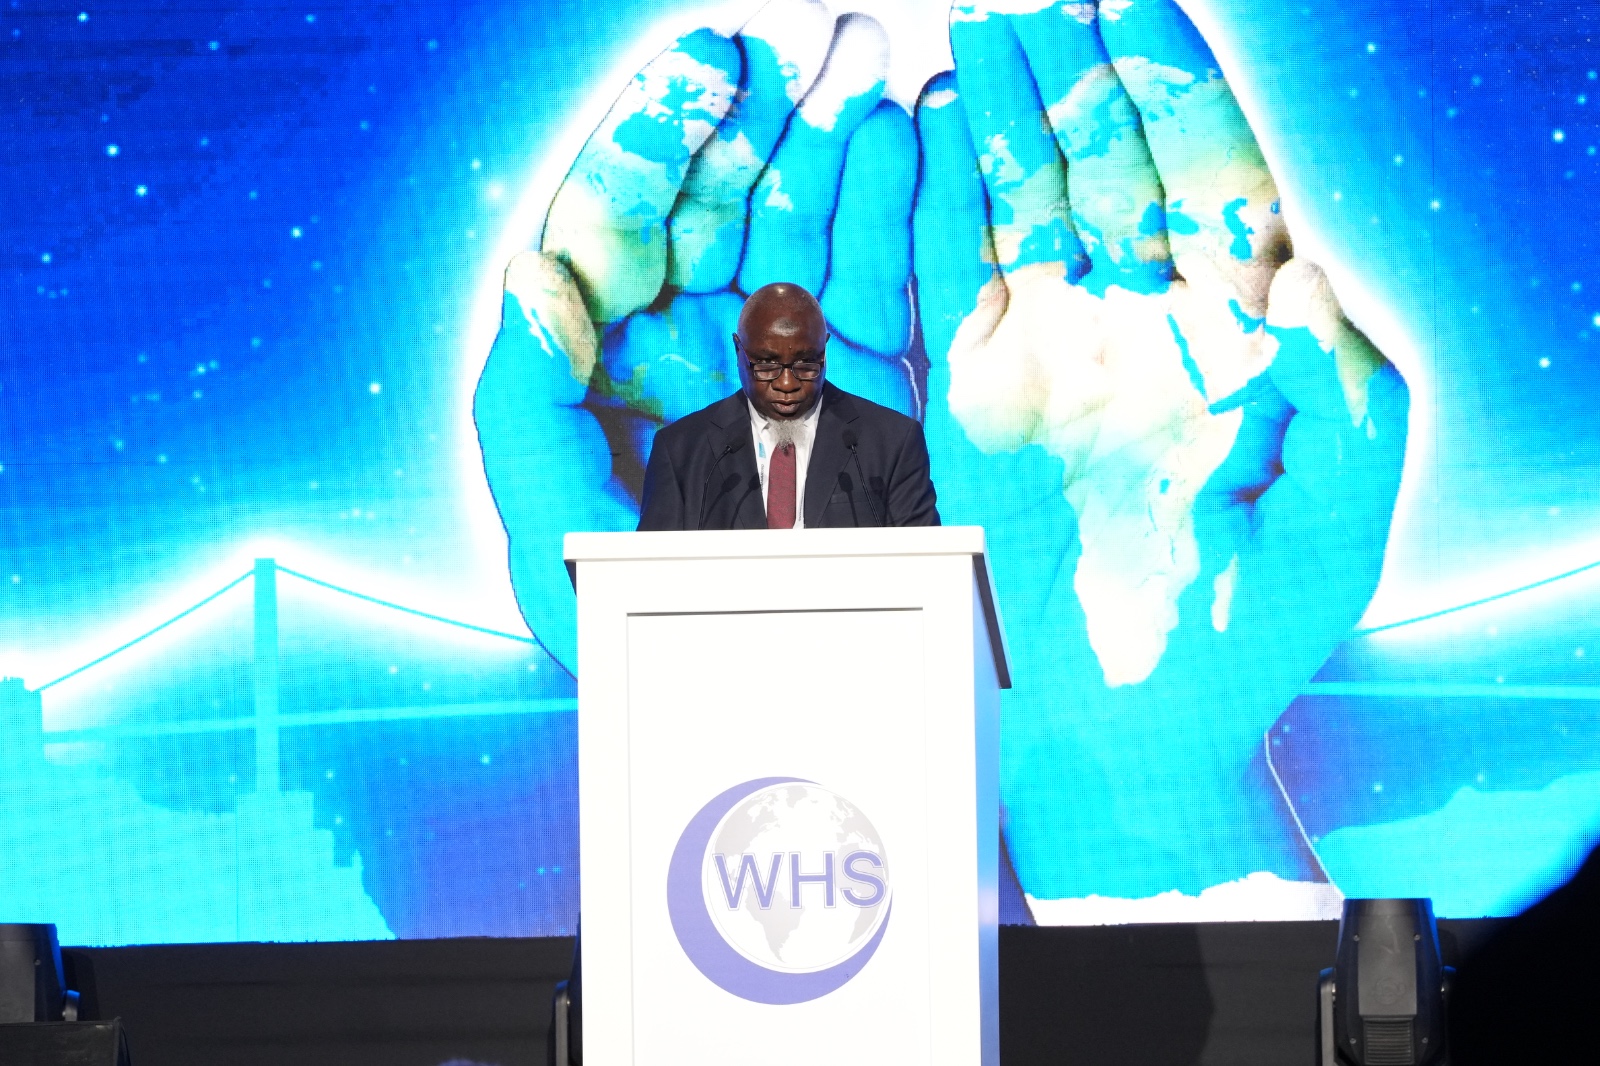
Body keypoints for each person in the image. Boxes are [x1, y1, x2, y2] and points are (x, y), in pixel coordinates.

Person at [636, 282, 939, 531]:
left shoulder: (891, 442)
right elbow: (651, 569)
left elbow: (927, 563)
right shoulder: (682, 451)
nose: (786, 383)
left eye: (806, 365)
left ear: (824, 350)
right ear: (738, 350)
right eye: (766, 366)